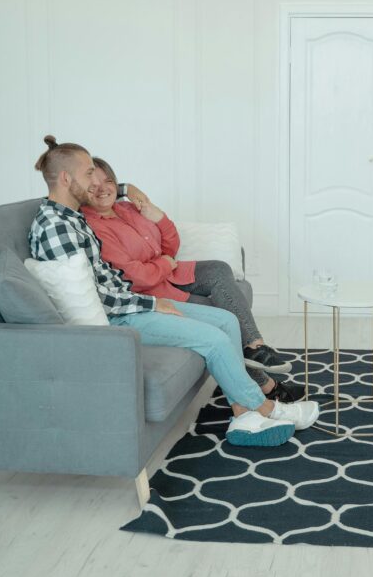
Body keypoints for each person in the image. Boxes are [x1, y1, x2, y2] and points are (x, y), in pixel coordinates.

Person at [28, 135, 319, 447]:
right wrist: (152, 303)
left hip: (130, 303)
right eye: (88, 174)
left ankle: (241, 414)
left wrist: (125, 190)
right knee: (215, 339)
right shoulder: (57, 227)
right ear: (66, 178)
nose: (94, 184)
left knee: (225, 320)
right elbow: (99, 298)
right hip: (118, 318)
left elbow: (105, 269)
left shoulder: (69, 216)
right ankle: (266, 407)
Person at [82, 157, 302, 403]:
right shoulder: (93, 226)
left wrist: (158, 215)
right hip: (153, 290)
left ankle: (256, 346)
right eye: (94, 184)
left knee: (218, 269)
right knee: (223, 316)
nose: (103, 188)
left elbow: (172, 244)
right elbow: (135, 277)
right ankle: (264, 386)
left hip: (171, 274)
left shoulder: (129, 208)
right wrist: (165, 262)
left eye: (108, 181)